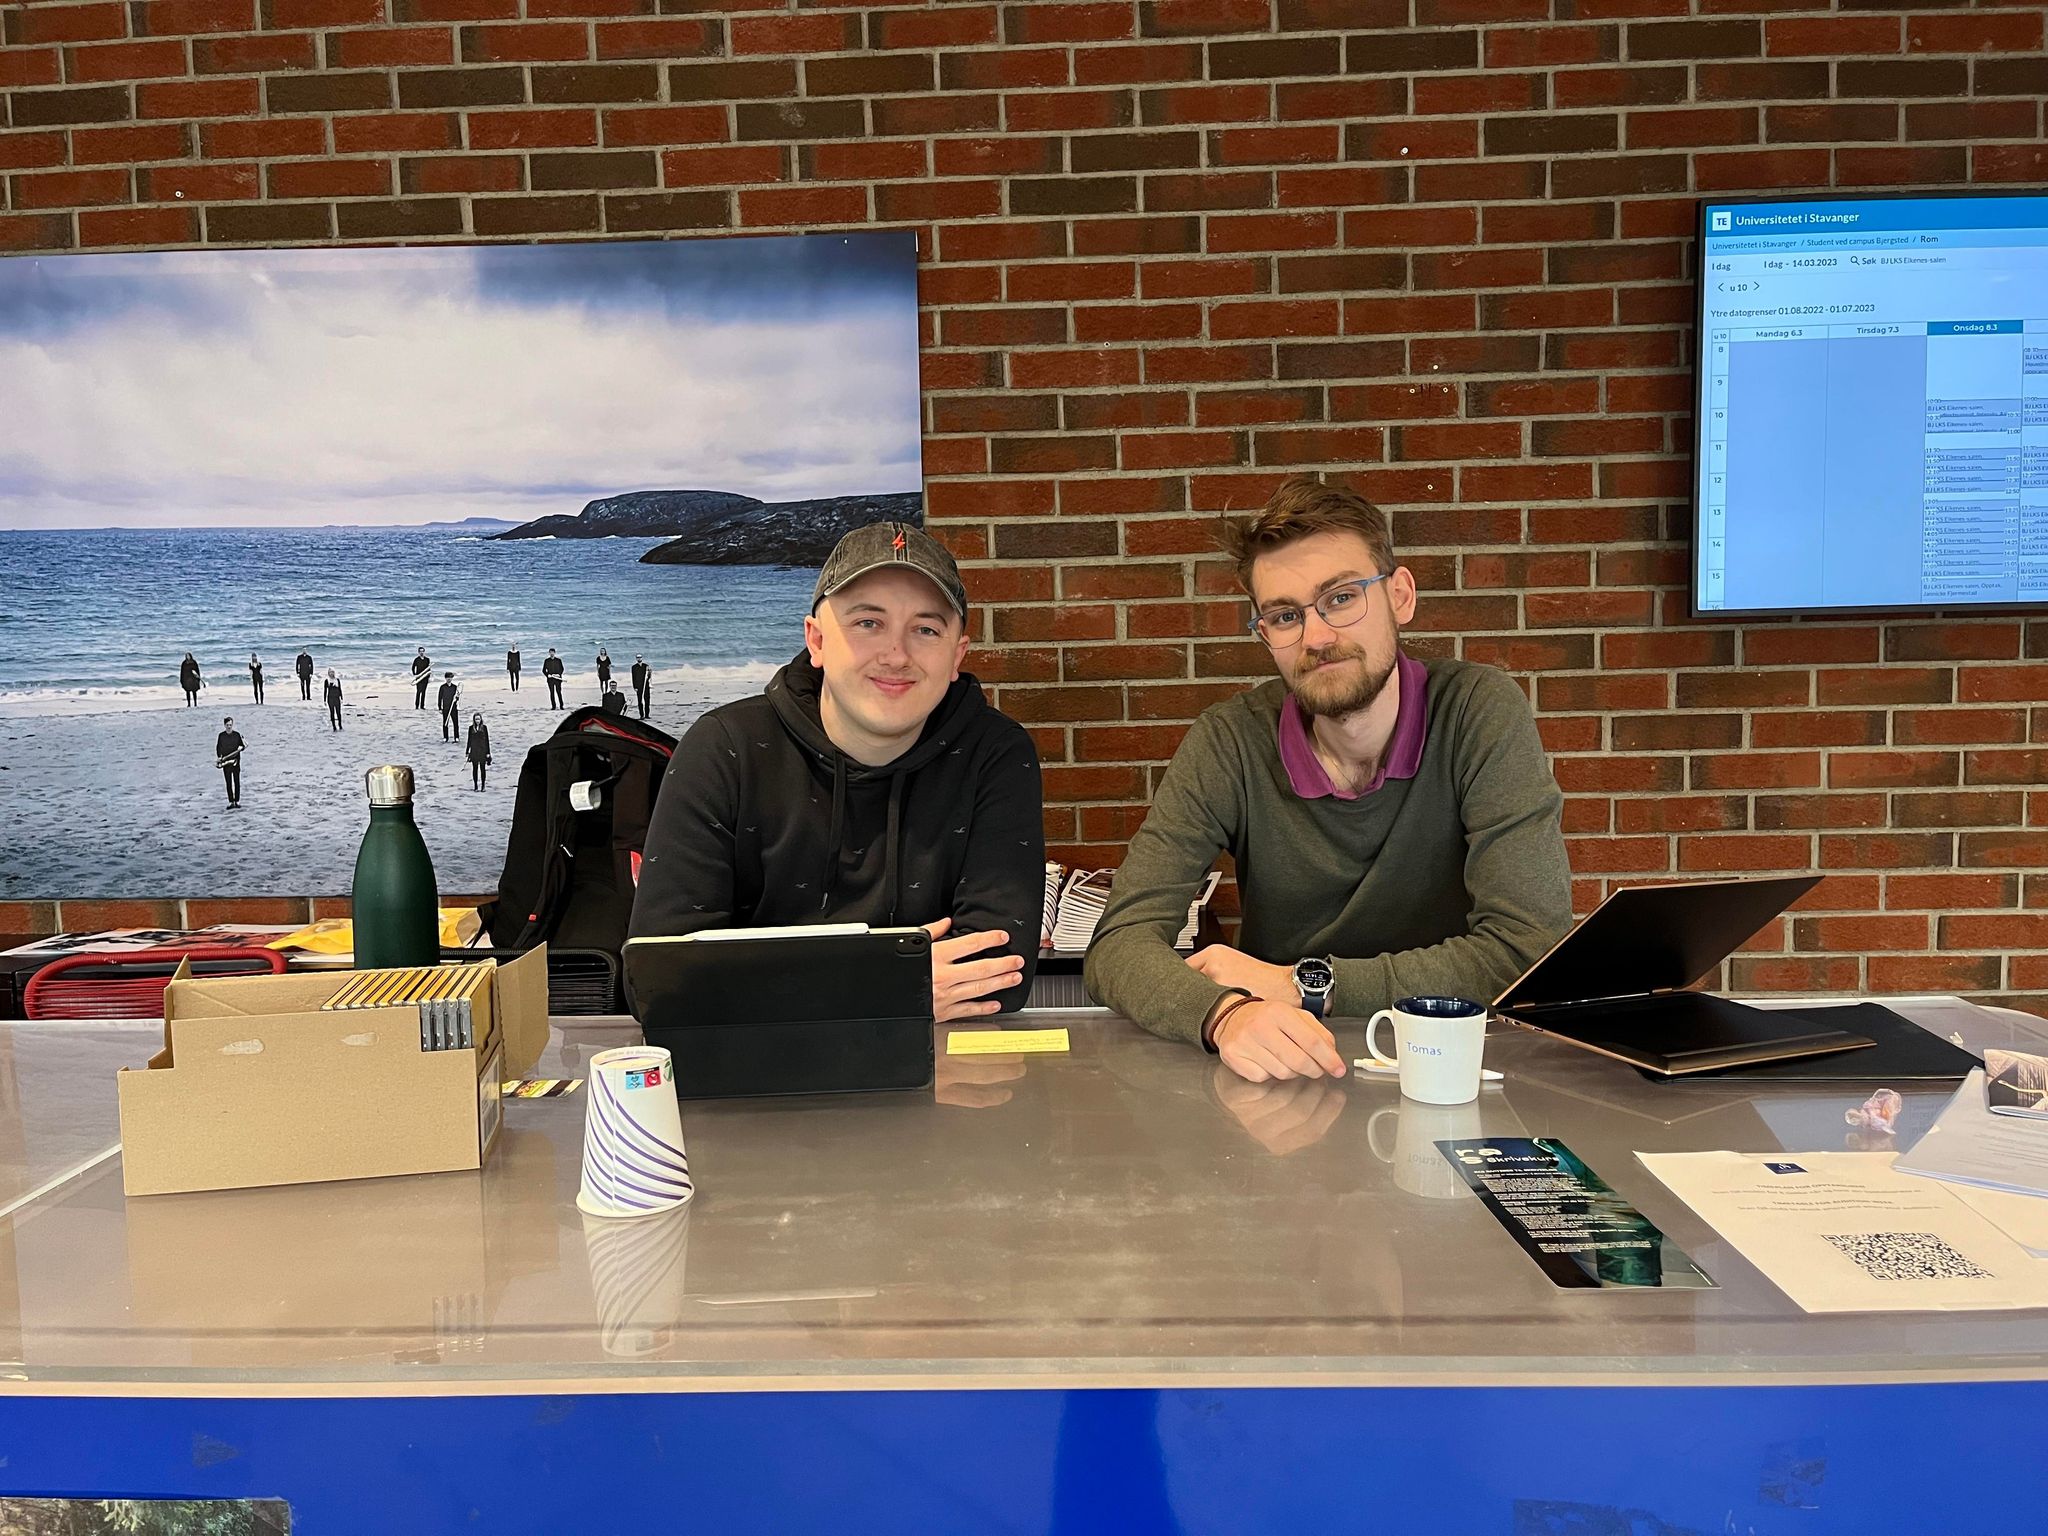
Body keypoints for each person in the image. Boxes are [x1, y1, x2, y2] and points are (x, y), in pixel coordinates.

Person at [1084, 475, 1572, 1084]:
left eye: (1342, 598)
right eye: (1285, 616)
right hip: (1286, 1064)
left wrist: (1305, 984)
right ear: (1266, 635)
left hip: (1455, 1063)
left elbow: (1528, 950)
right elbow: (1119, 942)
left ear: (1400, 596)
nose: (1316, 637)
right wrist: (1224, 1015)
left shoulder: (1478, 711)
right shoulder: (1230, 741)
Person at [631, 522, 1045, 1025]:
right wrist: (886, 990)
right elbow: (660, 981)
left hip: (941, 1077)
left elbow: (998, 975)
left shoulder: (995, 753)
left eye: (926, 629)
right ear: (817, 641)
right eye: (868, 623)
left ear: (957, 654)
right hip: (754, 1081)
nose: (896, 655)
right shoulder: (725, 749)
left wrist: (770, 989)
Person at [215, 716, 244, 808]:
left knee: (236, 782)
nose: (229, 727)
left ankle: (237, 801)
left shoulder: (237, 735)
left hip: (236, 761)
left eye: (230, 725)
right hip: (226, 762)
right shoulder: (221, 736)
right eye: (227, 725)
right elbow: (218, 748)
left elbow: (242, 746)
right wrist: (219, 757)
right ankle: (231, 801)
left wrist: (241, 748)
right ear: (224, 725)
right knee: (228, 782)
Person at [466, 712, 491, 791]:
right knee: (475, 769)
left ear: (481, 720)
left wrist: (488, 753)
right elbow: (469, 740)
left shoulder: (484, 728)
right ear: (474, 720)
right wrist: (467, 751)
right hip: (474, 751)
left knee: (483, 769)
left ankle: (483, 785)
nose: (477, 721)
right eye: (476, 719)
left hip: (482, 751)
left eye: (479, 719)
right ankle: (476, 785)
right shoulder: (471, 728)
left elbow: (487, 740)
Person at [438, 672, 461, 741]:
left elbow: (457, 698)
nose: (449, 679)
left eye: (450, 677)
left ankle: (456, 737)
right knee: (445, 723)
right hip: (445, 708)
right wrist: (440, 708)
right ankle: (445, 737)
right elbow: (440, 697)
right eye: (448, 677)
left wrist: (456, 698)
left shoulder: (455, 687)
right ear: (445, 678)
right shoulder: (442, 687)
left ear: (452, 678)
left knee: (455, 723)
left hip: (453, 708)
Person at [630, 655, 651, 719]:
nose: (639, 658)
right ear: (636, 659)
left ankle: (647, 715)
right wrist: (635, 687)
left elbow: (649, 677)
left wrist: (649, 673)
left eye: (640, 657)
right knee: (640, 701)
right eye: (638, 658)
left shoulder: (646, 666)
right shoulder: (634, 667)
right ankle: (641, 715)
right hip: (639, 686)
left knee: (647, 700)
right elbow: (633, 677)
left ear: (642, 658)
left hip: (646, 685)